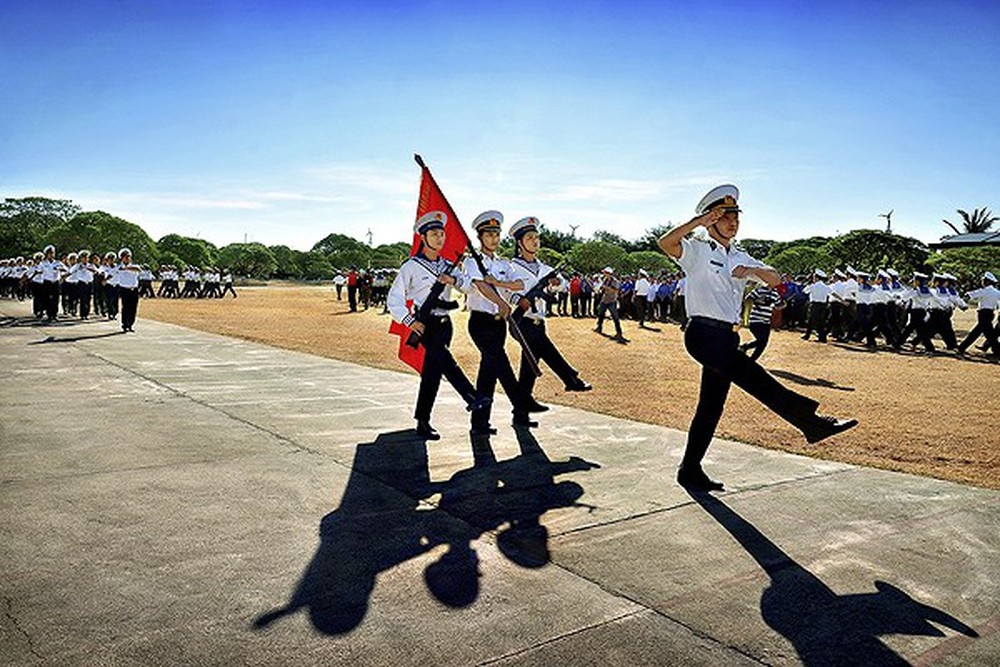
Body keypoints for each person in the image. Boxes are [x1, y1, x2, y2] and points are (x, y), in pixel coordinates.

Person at [658, 184, 857, 492]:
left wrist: (752, 270)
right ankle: (809, 420)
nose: (732, 222)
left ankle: (690, 469)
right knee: (756, 378)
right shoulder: (697, 250)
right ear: (711, 219)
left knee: (710, 408)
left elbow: (776, 278)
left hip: (726, 337)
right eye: (724, 217)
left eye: (736, 216)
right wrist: (698, 223)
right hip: (702, 333)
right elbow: (665, 242)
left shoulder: (740, 254)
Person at [386, 211, 489, 440]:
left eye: (442, 234)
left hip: (445, 324)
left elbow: (468, 287)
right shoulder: (411, 266)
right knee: (446, 361)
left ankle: (423, 421)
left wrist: (453, 280)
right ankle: (471, 397)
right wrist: (410, 322)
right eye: (434, 234)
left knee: (432, 374)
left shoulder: (448, 265)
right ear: (423, 237)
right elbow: (394, 300)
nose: (440, 239)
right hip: (425, 324)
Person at [461, 211, 548, 436]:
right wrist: (500, 300)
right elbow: (480, 285)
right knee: (502, 363)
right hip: (481, 322)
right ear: (479, 237)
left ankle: (479, 422)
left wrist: (501, 284)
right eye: (488, 234)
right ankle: (521, 401)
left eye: (496, 234)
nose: (494, 239)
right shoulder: (472, 261)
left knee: (488, 372)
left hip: (499, 323)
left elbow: (519, 283)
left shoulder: (503, 264)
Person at [507, 216, 592, 427]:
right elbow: (505, 290)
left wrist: (554, 283)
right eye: (530, 237)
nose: (535, 241)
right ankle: (570, 378)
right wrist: (520, 301)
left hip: (539, 321)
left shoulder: (544, 268)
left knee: (529, 368)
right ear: (519, 242)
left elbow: (561, 286)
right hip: (522, 321)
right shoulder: (511, 267)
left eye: (537, 237)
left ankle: (520, 413)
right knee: (545, 350)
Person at [958, 271, 1000, 356]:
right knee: (983, 333)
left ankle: (962, 347)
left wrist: (962, 302)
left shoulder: (984, 291)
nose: (982, 282)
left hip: (983, 314)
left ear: (987, 281)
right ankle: (962, 347)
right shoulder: (997, 292)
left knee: (986, 334)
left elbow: (969, 295)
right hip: (991, 313)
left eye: (983, 280)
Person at [740, 283, 783, 361]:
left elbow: (778, 306)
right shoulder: (759, 290)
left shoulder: (775, 293)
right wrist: (759, 300)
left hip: (766, 321)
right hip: (755, 320)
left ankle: (750, 358)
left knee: (763, 343)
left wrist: (781, 305)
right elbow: (747, 299)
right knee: (762, 341)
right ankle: (748, 354)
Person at [594, 266, 626, 341]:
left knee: (615, 317)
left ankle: (619, 332)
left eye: (605, 272)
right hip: (605, 299)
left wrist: (606, 288)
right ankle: (599, 327)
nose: (604, 274)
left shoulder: (615, 281)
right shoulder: (605, 280)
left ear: (608, 273)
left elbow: (616, 290)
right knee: (600, 314)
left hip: (612, 300)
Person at [801, 269, 833, 342]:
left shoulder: (813, 285)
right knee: (820, 320)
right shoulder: (826, 286)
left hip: (814, 304)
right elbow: (831, 293)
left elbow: (805, 291)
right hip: (823, 305)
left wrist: (809, 283)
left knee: (811, 320)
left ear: (817, 278)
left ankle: (813, 336)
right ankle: (818, 336)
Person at [116, 248, 141, 332]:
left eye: (128, 257)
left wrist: (126, 268)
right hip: (124, 289)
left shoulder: (134, 266)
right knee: (125, 307)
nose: (127, 258)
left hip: (134, 289)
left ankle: (130, 324)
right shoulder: (118, 267)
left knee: (133, 308)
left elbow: (138, 269)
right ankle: (125, 325)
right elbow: (112, 273)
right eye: (125, 257)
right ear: (121, 258)